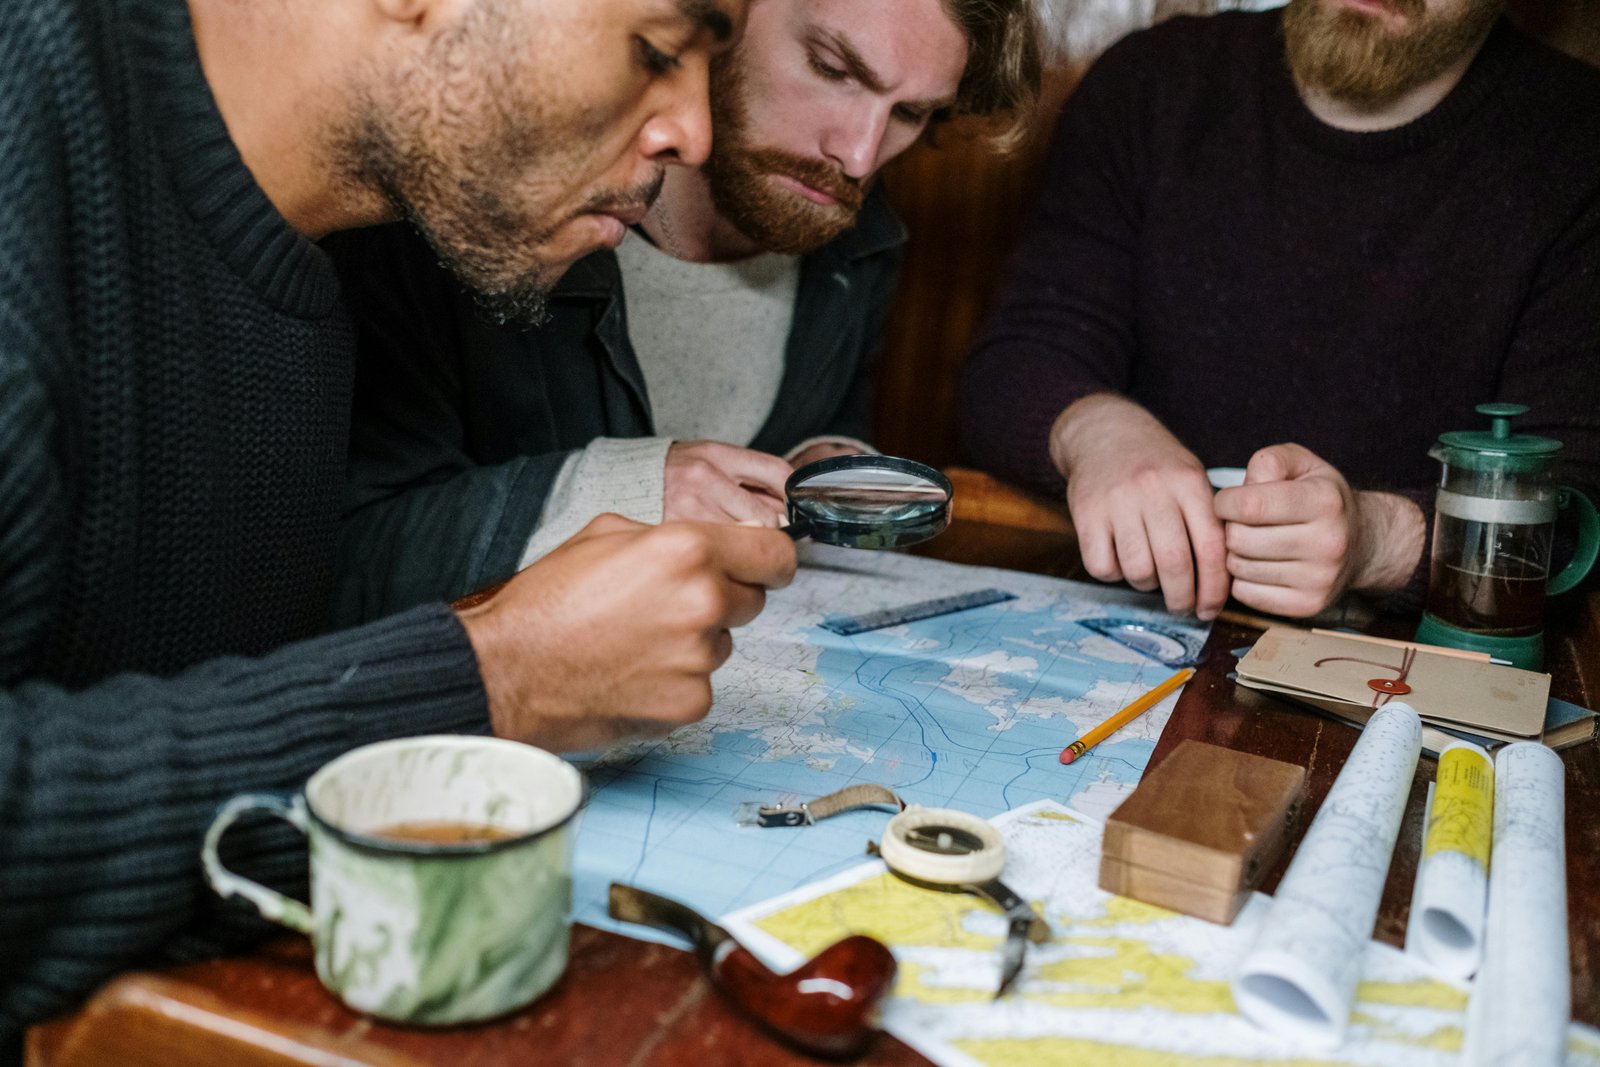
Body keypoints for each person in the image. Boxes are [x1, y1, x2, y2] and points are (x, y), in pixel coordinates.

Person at [0, 0, 805, 1048]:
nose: (695, 134)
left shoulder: (360, 237)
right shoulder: (30, 101)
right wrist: (498, 676)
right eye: (655, 49)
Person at [326, 0, 1042, 622]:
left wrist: (822, 463)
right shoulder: (484, 212)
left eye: (910, 113)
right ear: (717, 16)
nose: (857, 155)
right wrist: (629, 490)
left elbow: (830, 416)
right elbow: (335, 561)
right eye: (831, 67)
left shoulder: (857, 240)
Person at [960, 0, 1600, 622]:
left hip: (1406, 672)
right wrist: (1096, 431)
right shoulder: (1151, 80)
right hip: (1131, 617)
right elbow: (1016, 362)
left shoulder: (1577, 139)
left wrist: (1378, 540)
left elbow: (1581, 513)